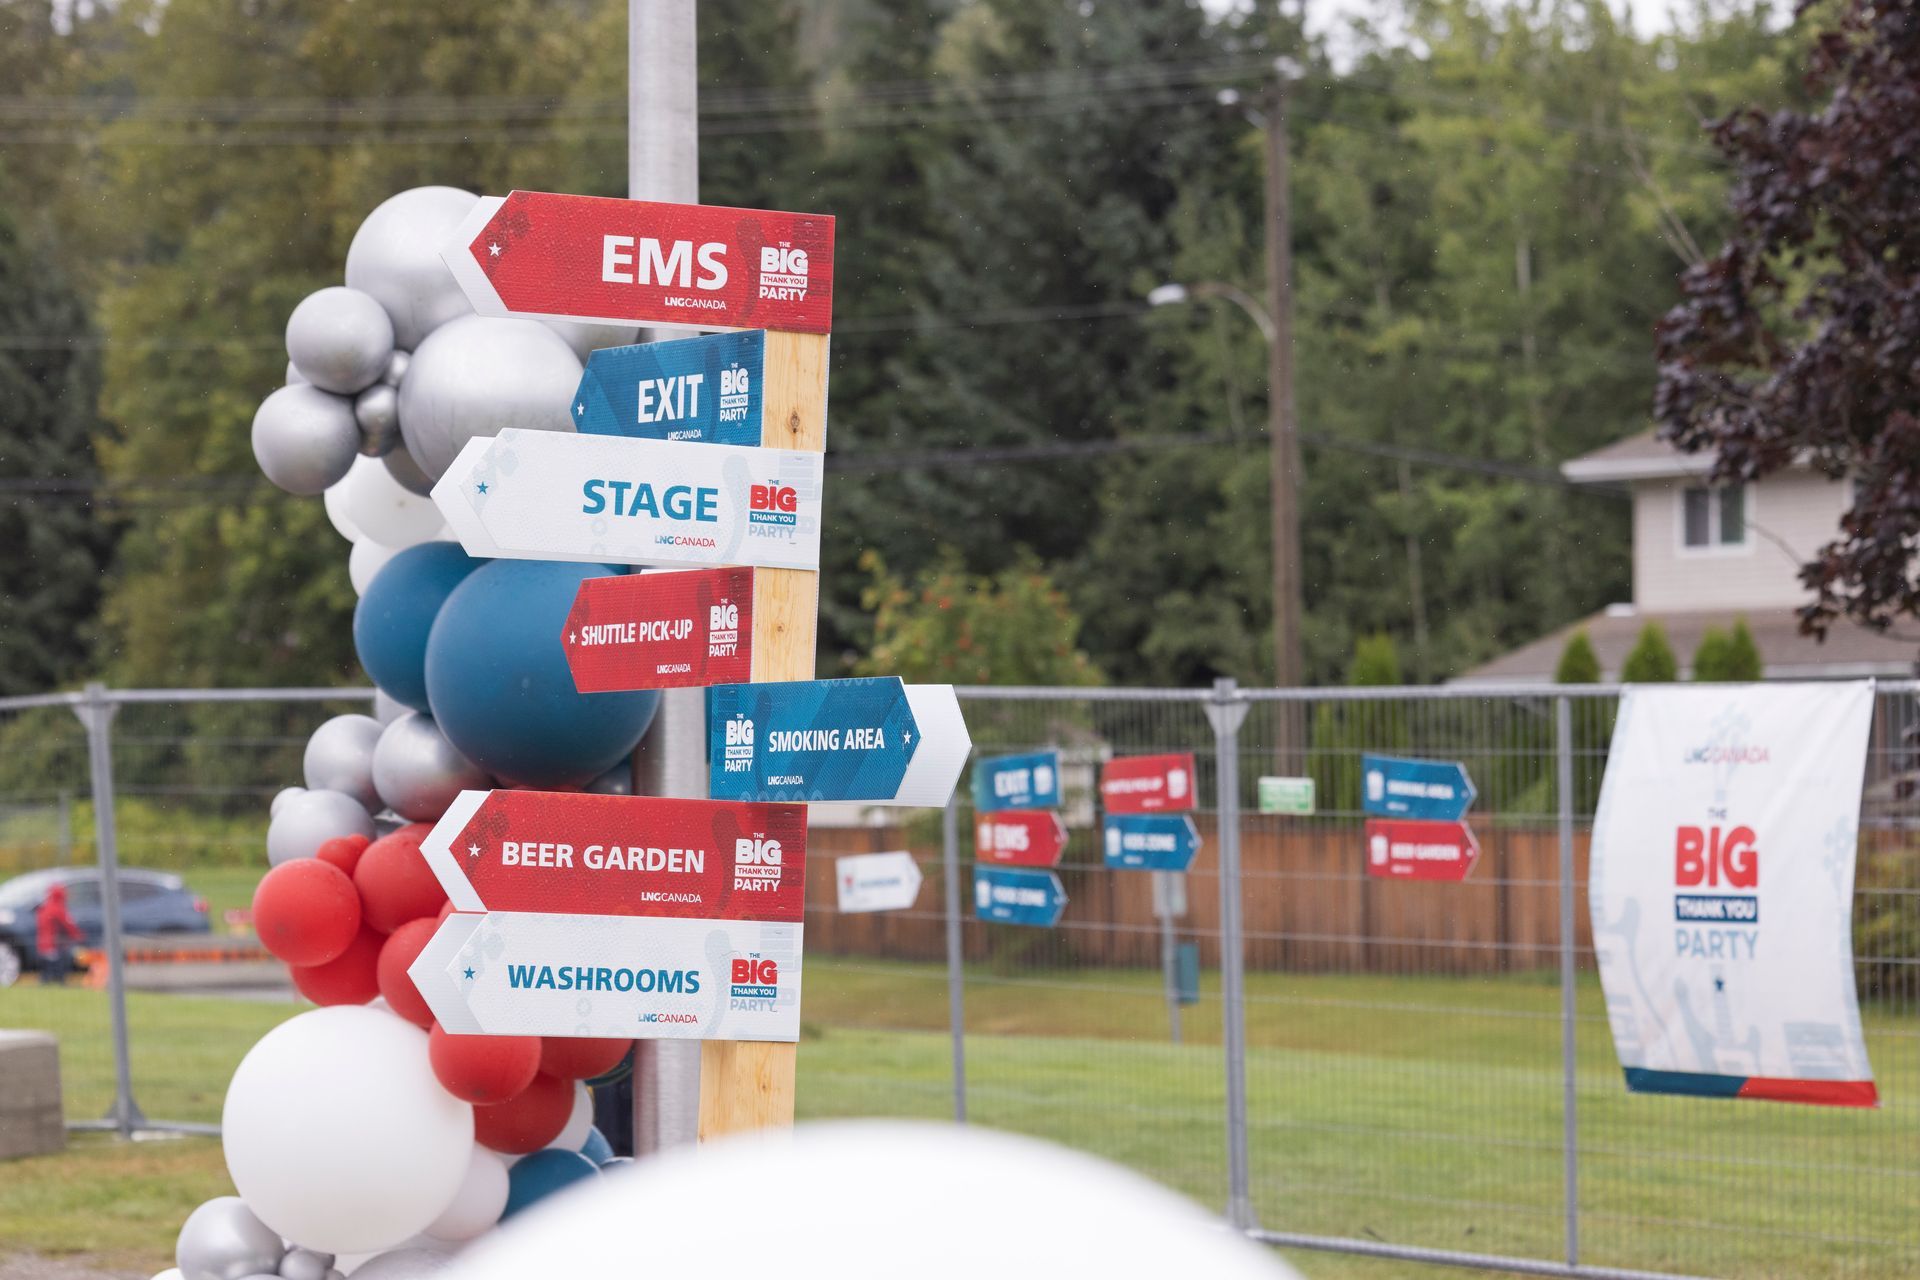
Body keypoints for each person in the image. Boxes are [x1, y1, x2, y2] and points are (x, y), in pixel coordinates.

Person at [36, 882, 82, 985]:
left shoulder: (44, 908)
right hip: (53, 946)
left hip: (42, 945)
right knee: (60, 969)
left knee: (46, 972)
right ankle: (60, 983)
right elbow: (69, 925)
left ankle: (45, 984)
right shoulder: (58, 909)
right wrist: (79, 936)